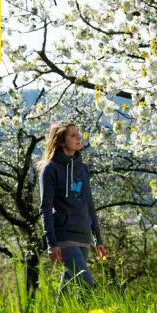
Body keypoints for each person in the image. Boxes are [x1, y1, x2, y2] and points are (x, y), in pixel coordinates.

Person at [37, 122, 107, 300]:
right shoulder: (49, 169)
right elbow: (45, 208)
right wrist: (52, 243)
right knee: (87, 286)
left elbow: (89, 203)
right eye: (73, 135)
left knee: (67, 291)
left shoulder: (82, 168)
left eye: (78, 134)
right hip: (64, 235)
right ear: (61, 141)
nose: (78, 138)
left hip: (83, 234)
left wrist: (98, 238)